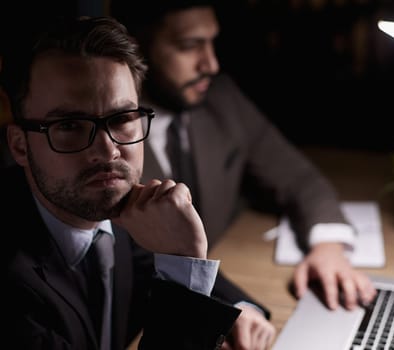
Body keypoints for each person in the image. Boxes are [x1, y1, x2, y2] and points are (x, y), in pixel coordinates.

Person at [111, 2, 378, 348]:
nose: (211, 64)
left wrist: (328, 245)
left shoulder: (221, 98)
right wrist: (229, 307)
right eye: (190, 46)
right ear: (135, 47)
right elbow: (147, 263)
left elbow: (297, 176)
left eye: (211, 42)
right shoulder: (107, 148)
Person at [1, 16, 242, 349]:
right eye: (70, 125)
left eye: (123, 118)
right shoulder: (10, 284)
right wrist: (186, 265)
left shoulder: (114, 213)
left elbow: (148, 264)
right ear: (19, 146)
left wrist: (242, 310)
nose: (107, 150)